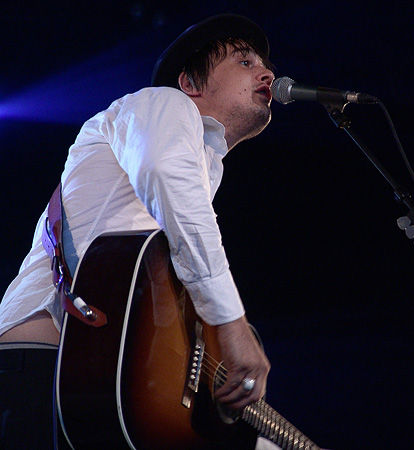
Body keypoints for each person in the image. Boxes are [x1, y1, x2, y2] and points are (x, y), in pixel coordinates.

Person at [0, 14, 281, 450]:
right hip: (41, 370)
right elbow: (168, 175)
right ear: (190, 82)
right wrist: (232, 324)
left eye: (264, 64)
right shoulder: (161, 104)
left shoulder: (203, 175)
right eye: (245, 62)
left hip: (96, 378)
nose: (267, 73)